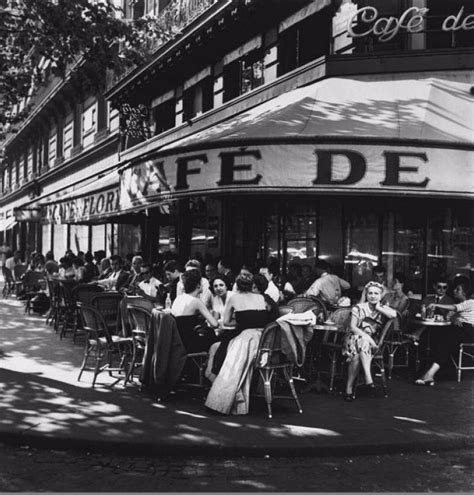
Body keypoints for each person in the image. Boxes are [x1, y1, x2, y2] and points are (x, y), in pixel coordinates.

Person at [205, 272, 270, 415]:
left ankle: (222, 401)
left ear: (237, 286)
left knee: (229, 362)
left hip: (247, 339)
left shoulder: (234, 298)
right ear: (252, 285)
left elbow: (227, 322)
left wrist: (240, 322)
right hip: (264, 341)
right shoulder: (261, 297)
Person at [342, 281, 396, 401]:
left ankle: (349, 388)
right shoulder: (359, 308)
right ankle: (368, 378)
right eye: (370, 293)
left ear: (381, 295)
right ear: (366, 295)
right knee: (361, 342)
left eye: (376, 293)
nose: (373, 296)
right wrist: (368, 338)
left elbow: (394, 315)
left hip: (369, 343)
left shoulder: (382, 308)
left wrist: (378, 308)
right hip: (353, 339)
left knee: (358, 353)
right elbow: (353, 327)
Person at [415, 282, 474, 386]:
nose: (455, 291)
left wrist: (436, 304)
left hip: (468, 331)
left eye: (458, 289)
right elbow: (452, 317)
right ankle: (431, 373)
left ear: (464, 292)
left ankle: (430, 374)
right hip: (460, 329)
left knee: (446, 342)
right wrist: (455, 319)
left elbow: (454, 308)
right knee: (440, 338)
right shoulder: (461, 304)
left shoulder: (470, 302)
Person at [170, 269, 219, 353]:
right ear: (198, 285)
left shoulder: (178, 298)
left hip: (179, 343)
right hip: (191, 344)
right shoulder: (196, 301)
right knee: (219, 342)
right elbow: (215, 324)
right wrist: (217, 308)